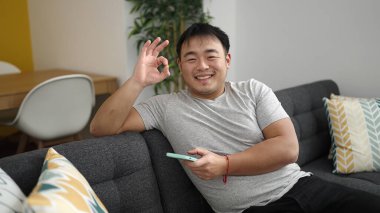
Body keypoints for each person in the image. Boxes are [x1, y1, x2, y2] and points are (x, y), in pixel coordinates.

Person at [90, 23, 380, 213]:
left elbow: (288, 149)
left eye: (211, 56)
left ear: (227, 60)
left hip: (305, 186)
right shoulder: (164, 107)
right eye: (191, 58)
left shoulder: (253, 91)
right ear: (179, 65)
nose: (202, 66)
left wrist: (224, 164)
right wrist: (138, 81)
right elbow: (101, 127)